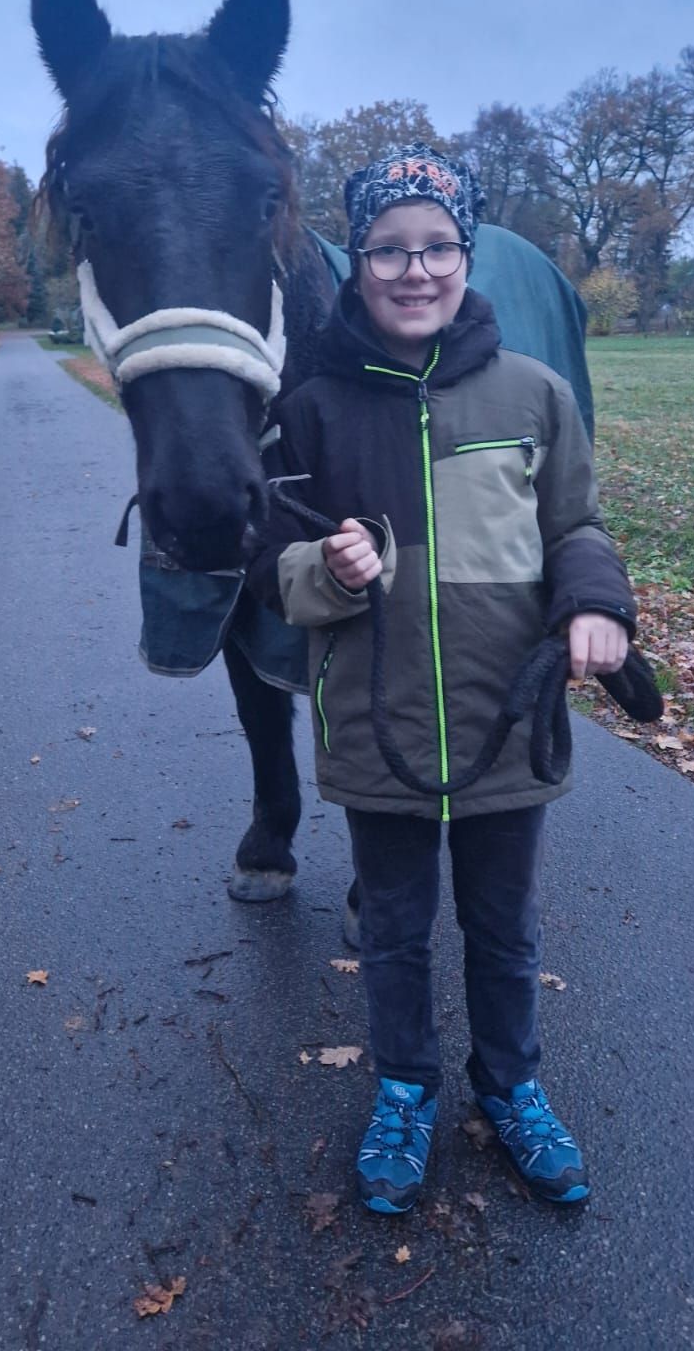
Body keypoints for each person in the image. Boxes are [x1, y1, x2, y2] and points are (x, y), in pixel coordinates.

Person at [247, 144, 637, 1214]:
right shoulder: (313, 410)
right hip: (381, 733)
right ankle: (408, 1089)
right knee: (396, 932)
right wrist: (325, 571)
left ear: (467, 258)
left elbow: (578, 527)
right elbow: (274, 569)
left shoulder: (535, 394)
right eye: (388, 248)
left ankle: (510, 1085)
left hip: (510, 725)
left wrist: (595, 604)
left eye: (436, 247)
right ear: (358, 259)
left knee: (505, 929)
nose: (413, 270)